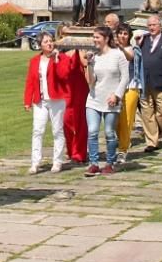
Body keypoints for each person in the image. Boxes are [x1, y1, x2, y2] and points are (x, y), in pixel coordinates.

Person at [83, 26, 129, 176]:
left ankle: (110, 163)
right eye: (94, 37)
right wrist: (88, 64)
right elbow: (90, 81)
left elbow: (125, 78)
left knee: (109, 132)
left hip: (111, 101)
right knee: (92, 131)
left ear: (106, 38)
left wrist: (117, 95)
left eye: (97, 37)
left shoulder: (118, 55)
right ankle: (93, 163)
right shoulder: (95, 57)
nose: (94, 40)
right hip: (94, 99)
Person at [23, 32, 68, 174]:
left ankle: (57, 161)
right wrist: (27, 101)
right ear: (40, 45)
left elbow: (62, 76)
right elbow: (30, 81)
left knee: (57, 130)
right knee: (38, 130)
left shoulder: (61, 58)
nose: (49, 43)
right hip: (40, 100)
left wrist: (55, 59)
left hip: (56, 99)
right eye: (46, 42)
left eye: (51, 41)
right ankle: (35, 162)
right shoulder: (34, 61)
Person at [138, 15, 162, 152]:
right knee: (147, 113)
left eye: (154, 25)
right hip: (145, 83)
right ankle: (151, 142)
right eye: (149, 25)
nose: (151, 27)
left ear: (160, 26)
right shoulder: (143, 41)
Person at [57, 24, 89, 163]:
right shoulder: (57, 51)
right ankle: (70, 150)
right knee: (66, 122)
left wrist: (77, 49)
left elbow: (85, 63)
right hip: (64, 90)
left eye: (69, 34)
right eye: (64, 34)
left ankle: (80, 152)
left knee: (80, 121)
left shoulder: (78, 48)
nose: (67, 37)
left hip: (79, 88)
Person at [114, 24, 142, 164]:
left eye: (125, 34)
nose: (123, 36)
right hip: (115, 88)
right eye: (120, 33)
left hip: (130, 87)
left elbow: (130, 57)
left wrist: (120, 48)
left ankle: (122, 150)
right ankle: (121, 142)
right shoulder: (111, 50)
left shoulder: (133, 48)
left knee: (126, 120)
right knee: (115, 121)